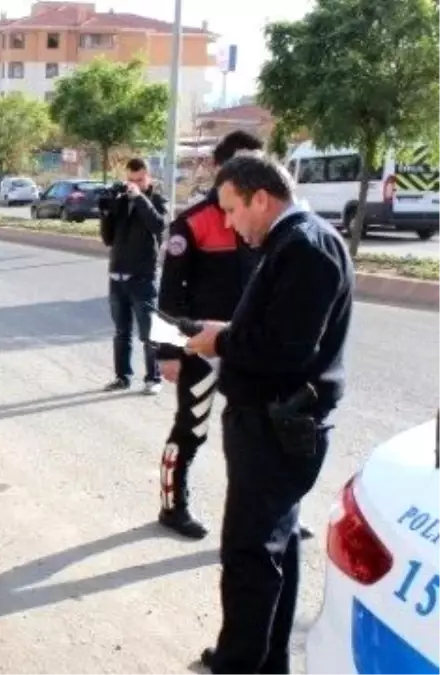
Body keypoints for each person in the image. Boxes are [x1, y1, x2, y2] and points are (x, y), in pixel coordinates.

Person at [184, 154, 353, 675]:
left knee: (249, 556)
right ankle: (264, 657)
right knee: (275, 548)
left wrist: (222, 340)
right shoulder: (293, 241)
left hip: (277, 429)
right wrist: (223, 336)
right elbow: (277, 329)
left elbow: (286, 348)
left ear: (262, 198)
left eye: (233, 210)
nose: (230, 223)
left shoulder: (304, 246)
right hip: (273, 426)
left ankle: (240, 663)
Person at [153, 131, 264, 540]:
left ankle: (269, 510)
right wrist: (167, 351)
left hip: (252, 347)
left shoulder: (269, 223)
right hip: (202, 347)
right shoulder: (193, 223)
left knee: (260, 432)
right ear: (220, 170)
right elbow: (168, 293)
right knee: (192, 428)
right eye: (242, 165)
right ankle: (172, 506)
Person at [99, 158, 168, 395]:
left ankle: (153, 378)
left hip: (142, 277)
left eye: (139, 180)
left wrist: (139, 198)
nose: (133, 184)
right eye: (130, 180)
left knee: (149, 333)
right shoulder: (121, 200)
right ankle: (122, 377)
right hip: (117, 276)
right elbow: (108, 239)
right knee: (121, 332)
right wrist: (106, 212)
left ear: (148, 177)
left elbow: (158, 225)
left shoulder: (157, 199)